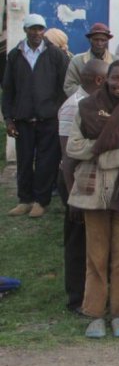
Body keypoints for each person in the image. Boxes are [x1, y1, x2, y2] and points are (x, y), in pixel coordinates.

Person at [66, 60, 119, 338]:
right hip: (92, 193)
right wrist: (108, 147)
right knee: (95, 256)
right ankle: (95, 313)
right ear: (106, 80)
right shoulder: (86, 108)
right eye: (117, 79)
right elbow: (73, 146)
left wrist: (99, 154)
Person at [3, 13, 69, 218]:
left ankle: (41, 201)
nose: (36, 33)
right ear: (25, 30)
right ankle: (25, 200)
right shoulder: (15, 55)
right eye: (32, 29)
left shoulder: (56, 55)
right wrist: (8, 118)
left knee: (45, 162)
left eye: (40, 28)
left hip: (48, 119)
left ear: (44, 30)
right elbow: (8, 89)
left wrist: (57, 111)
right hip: (23, 119)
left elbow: (64, 87)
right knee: (23, 161)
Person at [58, 59, 108, 313]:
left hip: (93, 178)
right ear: (99, 80)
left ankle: (95, 291)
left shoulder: (98, 104)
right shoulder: (73, 106)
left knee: (94, 239)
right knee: (77, 241)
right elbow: (68, 158)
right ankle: (76, 297)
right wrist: (72, 197)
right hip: (75, 180)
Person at [63, 23, 114, 97]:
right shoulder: (77, 61)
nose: (99, 43)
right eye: (96, 40)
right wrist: (88, 96)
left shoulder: (115, 62)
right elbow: (69, 86)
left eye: (103, 40)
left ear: (107, 41)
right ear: (90, 40)